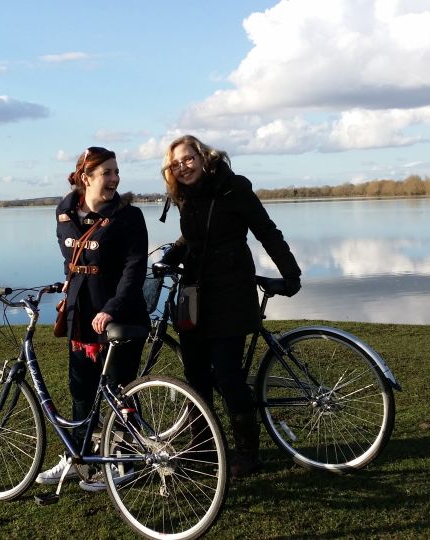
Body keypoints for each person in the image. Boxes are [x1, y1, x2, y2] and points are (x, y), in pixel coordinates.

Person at [159, 134, 301, 477]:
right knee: (195, 375)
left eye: (188, 159)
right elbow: (192, 238)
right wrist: (169, 257)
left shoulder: (233, 187)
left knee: (227, 375)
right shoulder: (186, 198)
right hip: (195, 296)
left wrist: (291, 275)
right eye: (176, 164)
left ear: (204, 156)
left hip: (231, 293)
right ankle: (202, 450)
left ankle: (248, 454)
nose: (183, 167)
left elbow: (267, 231)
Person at [37, 146, 150, 492]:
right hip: (79, 316)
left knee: (120, 389)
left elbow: (135, 270)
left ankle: (126, 461)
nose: (115, 178)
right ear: (86, 178)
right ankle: (79, 456)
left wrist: (112, 307)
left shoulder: (129, 217)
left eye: (117, 172)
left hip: (120, 316)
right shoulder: (64, 212)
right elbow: (71, 261)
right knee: (81, 389)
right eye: (108, 173)